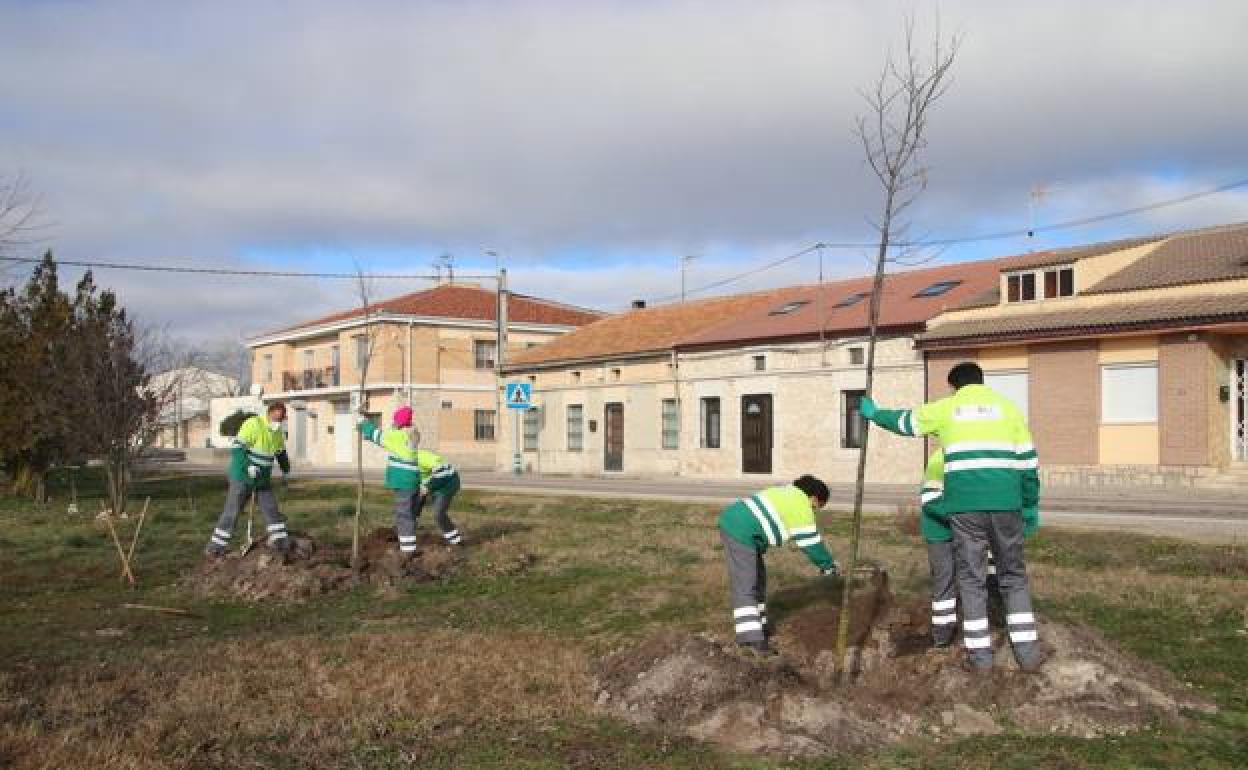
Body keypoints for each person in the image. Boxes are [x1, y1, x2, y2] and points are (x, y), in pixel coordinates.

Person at [861, 362, 1041, 672]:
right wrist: (1029, 508)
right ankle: (1027, 654)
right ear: (982, 383)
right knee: (1012, 576)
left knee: (971, 580)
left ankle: (980, 659)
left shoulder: (949, 408)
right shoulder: (1009, 409)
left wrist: (875, 414)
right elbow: (1028, 464)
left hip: (965, 508)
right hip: (1007, 503)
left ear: (954, 386)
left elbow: (906, 422)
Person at [717, 475, 839, 655]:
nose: (814, 511)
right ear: (813, 498)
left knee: (758, 580)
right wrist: (828, 565)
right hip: (739, 530)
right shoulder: (800, 504)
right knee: (746, 584)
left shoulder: (787, 493)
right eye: (817, 507)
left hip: (740, 526)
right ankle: (751, 640)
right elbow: (810, 542)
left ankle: (760, 627)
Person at [205, 402, 292, 557]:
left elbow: (280, 453)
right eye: (276, 418)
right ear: (269, 413)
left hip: (262, 480)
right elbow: (237, 448)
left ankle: (280, 542)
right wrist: (248, 466)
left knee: (271, 508)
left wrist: (286, 470)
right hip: (242, 477)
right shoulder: (253, 424)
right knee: (232, 511)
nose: (278, 422)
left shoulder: (277, 432)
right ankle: (215, 547)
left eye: (281, 419)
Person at [357, 405, 424, 557]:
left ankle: (407, 551)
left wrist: (362, 422)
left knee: (403, 514)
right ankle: (410, 544)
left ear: (399, 423)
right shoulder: (411, 434)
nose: (392, 423)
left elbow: (376, 435)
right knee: (410, 514)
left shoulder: (398, 436)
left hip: (403, 481)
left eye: (394, 420)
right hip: (413, 480)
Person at [414, 445, 464, 547]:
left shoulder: (423, 457)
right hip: (432, 482)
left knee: (438, 513)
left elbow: (442, 472)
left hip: (447, 482)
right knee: (415, 503)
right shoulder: (405, 462)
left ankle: (456, 541)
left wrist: (428, 487)